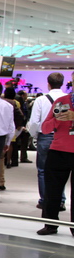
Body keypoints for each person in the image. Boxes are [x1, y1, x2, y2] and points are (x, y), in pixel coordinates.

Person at [36, 74, 74, 236]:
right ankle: (50, 224)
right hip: (58, 151)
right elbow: (45, 128)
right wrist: (56, 120)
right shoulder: (62, 101)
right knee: (52, 191)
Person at [28, 72, 67, 212]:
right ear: (62, 83)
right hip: (61, 138)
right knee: (60, 171)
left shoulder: (41, 100)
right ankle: (60, 201)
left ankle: (45, 200)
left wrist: (34, 135)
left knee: (43, 171)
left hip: (44, 137)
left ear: (48, 84)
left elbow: (34, 122)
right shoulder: (66, 99)